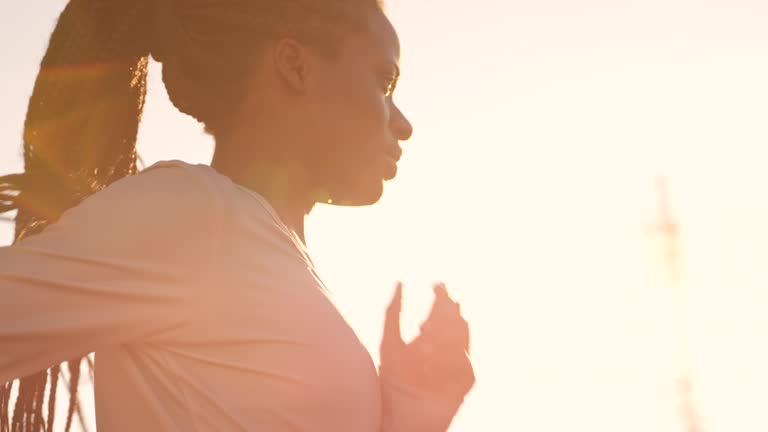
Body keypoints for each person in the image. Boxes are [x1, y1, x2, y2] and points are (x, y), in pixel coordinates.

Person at [0, 0, 474, 431]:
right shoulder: (194, 214)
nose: (403, 123)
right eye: (383, 81)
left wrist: (411, 412)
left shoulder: (266, 250)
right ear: (295, 65)